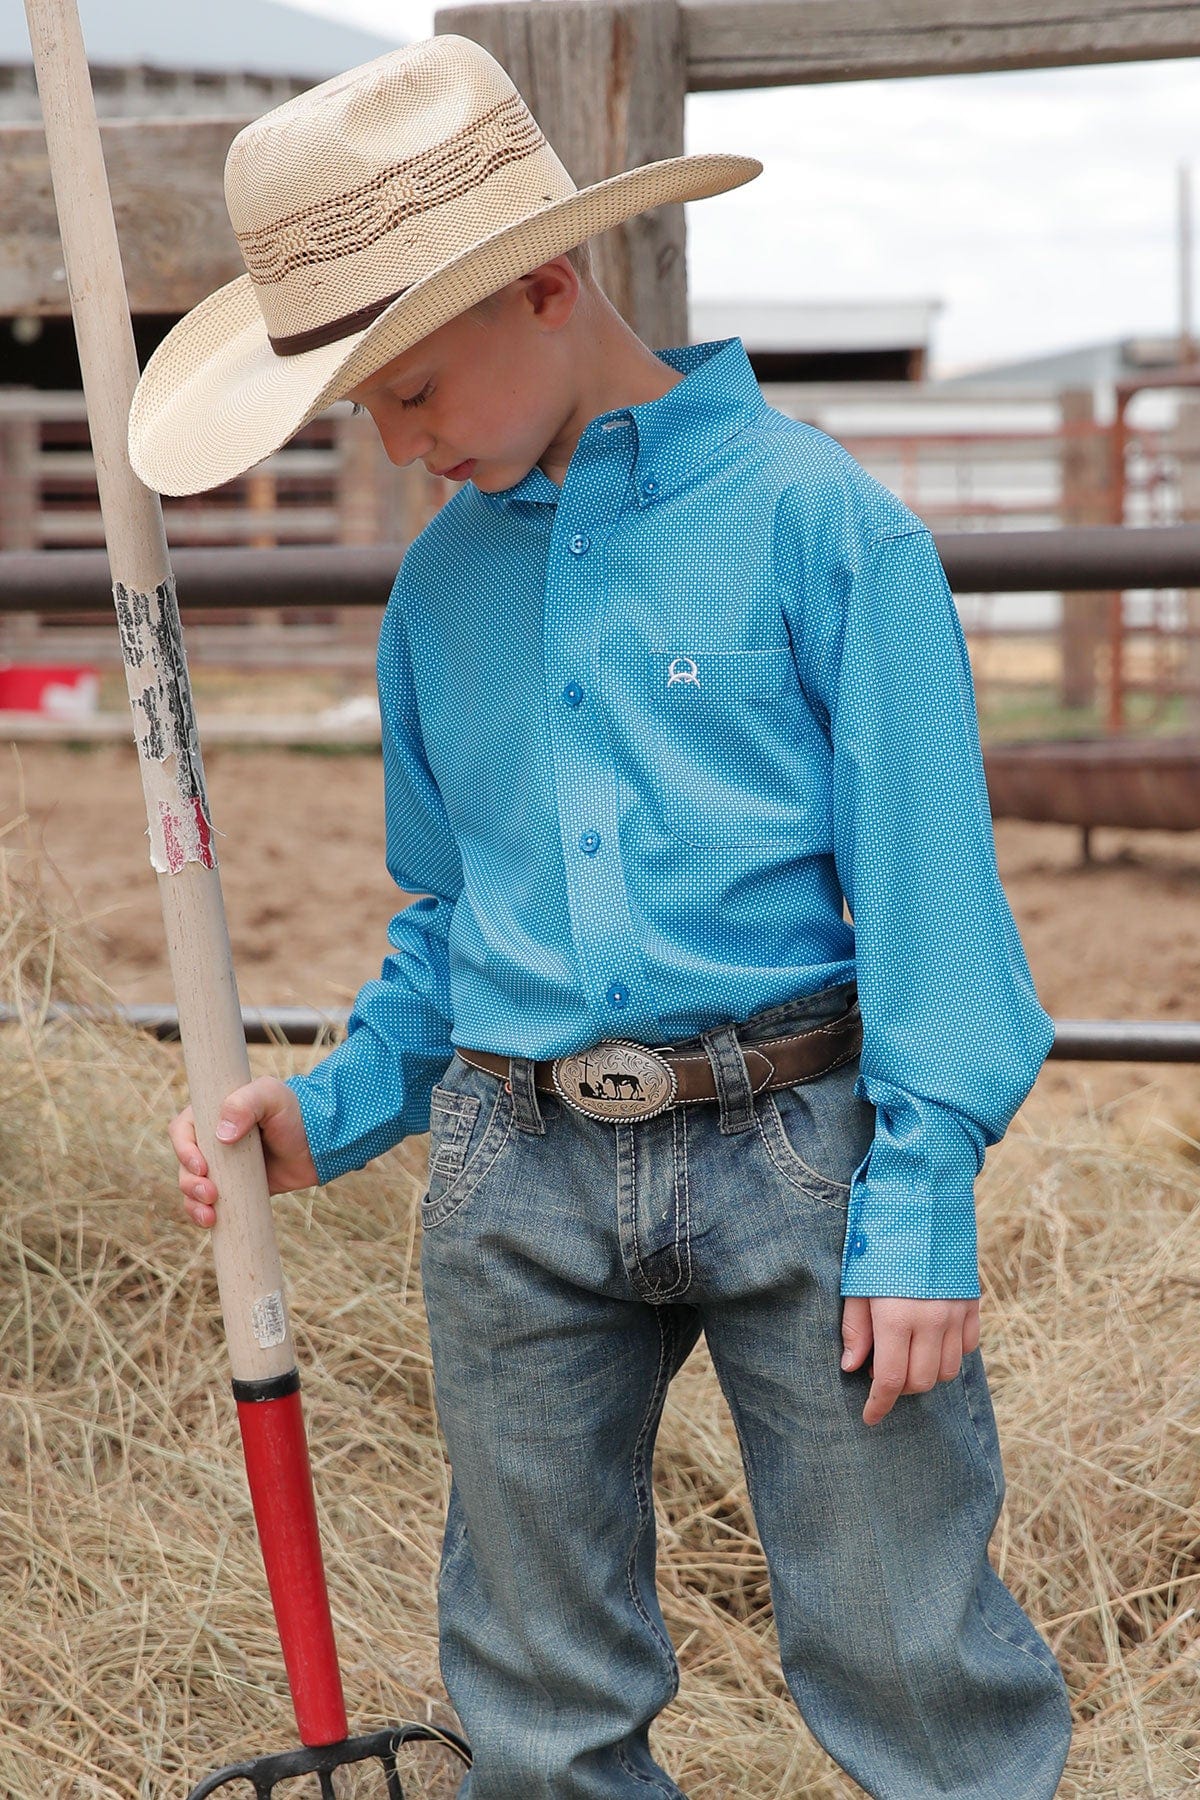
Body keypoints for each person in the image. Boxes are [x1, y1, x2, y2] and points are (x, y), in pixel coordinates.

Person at [141, 35, 1073, 1800]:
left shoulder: (823, 534)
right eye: (370, 416)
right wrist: (323, 1112)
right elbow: (450, 919)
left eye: (411, 392)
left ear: (549, 286)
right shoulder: (440, 592)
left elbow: (935, 897)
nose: (404, 449)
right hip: (513, 1166)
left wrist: (924, 1195)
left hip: (802, 1146)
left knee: (907, 1648)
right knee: (534, 1692)